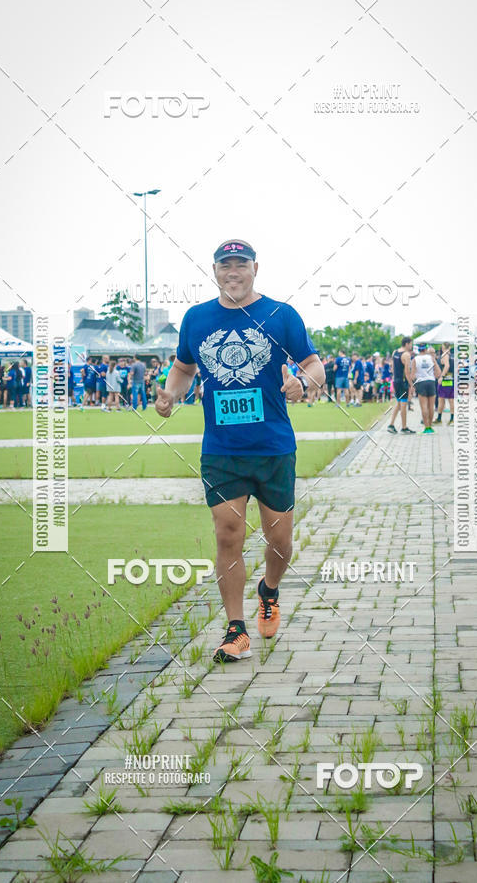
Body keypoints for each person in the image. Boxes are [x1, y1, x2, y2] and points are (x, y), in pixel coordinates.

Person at [155, 238, 324, 663]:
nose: (233, 271)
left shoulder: (281, 315)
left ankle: (269, 590)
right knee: (227, 532)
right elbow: (183, 367)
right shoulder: (196, 318)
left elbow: (313, 364)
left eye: (241, 264)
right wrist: (170, 394)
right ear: (214, 271)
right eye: (225, 265)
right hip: (222, 449)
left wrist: (302, 383)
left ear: (255, 269)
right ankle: (236, 629)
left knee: (279, 539)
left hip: (272, 447)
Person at [387, 337, 415, 434]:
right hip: (403, 382)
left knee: (398, 404)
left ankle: (391, 425)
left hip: (396, 381)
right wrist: (411, 384)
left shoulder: (395, 352)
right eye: (411, 344)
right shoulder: (406, 355)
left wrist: (394, 380)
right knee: (403, 405)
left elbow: (393, 368)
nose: (411, 346)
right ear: (407, 344)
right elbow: (407, 372)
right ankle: (404, 427)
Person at [411, 343, 441, 433]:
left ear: (418, 350)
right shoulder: (431, 358)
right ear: (426, 349)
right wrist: (434, 375)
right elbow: (438, 372)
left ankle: (426, 427)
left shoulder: (415, 359)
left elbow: (412, 375)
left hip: (421, 382)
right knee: (431, 406)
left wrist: (414, 384)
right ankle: (430, 427)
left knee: (423, 406)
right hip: (431, 381)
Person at [434, 343, 455, 425]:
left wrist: (442, 376)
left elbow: (447, 366)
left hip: (445, 379)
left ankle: (439, 419)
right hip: (452, 379)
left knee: (441, 399)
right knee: (451, 400)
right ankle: (452, 419)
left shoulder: (445, 355)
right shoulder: (453, 356)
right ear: (449, 347)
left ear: (443, 348)